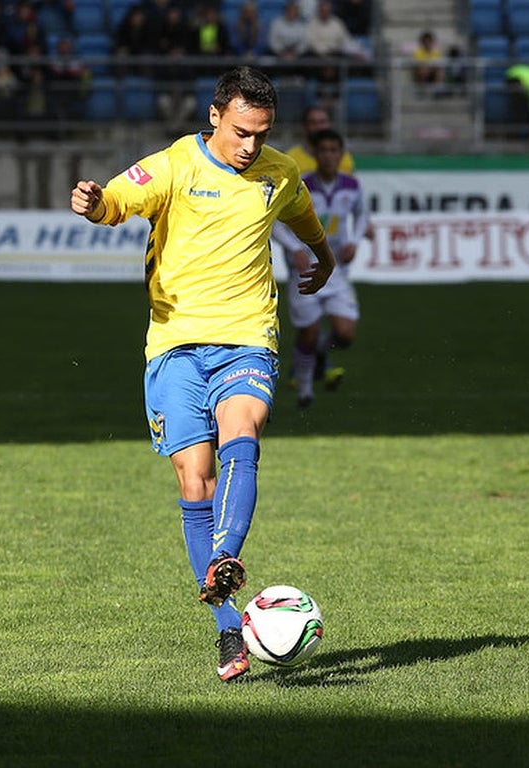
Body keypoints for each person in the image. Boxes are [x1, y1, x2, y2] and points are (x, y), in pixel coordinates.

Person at [68, 66, 335, 683]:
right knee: (196, 479)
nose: (250, 146)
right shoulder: (173, 166)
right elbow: (117, 201)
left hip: (247, 338)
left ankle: (224, 557)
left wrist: (321, 257)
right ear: (215, 116)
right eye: (241, 132)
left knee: (243, 431)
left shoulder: (278, 172)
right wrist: (94, 204)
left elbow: (303, 215)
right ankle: (227, 626)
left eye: (262, 134)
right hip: (174, 346)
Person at [272, 128, 366, 409]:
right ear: (314, 154)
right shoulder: (301, 186)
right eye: (323, 150)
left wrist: (355, 241)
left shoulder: (352, 186)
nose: (328, 156)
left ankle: (321, 356)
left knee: (345, 335)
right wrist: (295, 248)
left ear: (341, 154)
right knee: (309, 333)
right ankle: (304, 391)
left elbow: (362, 216)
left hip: (336, 269)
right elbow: (276, 223)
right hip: (305, 269)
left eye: (333, 150)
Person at [285, 104, 355, 173]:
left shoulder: (343, 157)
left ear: (330, 124)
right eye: (313, 122)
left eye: (322, 122)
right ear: (304, 127)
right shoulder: (291, 158)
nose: (318, 126)